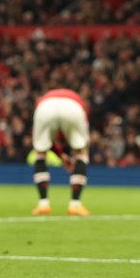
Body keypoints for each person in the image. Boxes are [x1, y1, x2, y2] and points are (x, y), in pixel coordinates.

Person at [31, 88, 91, 217]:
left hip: (44, 107)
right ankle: (75, 204)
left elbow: (47, 142)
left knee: (40, 153)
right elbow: (83, 140)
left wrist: (61, 155)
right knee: (82, 153)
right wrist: (70, 154)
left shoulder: (45, 98)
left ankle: (43, 204)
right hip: (73, 107)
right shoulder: (79, 101)